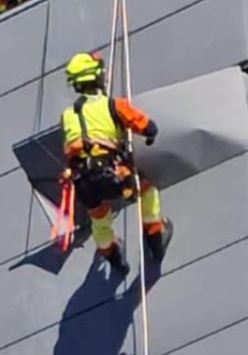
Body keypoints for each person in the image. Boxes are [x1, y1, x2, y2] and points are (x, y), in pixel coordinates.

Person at [59, 52, 173, 276]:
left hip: (83, 182)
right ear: (96, 78)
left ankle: (112, 256)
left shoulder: (67, 115)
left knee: (99, 218)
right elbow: (148, 127)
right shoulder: (113, 105)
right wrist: (149, 136)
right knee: (147, 190)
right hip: (113, 172)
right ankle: (155, 238)